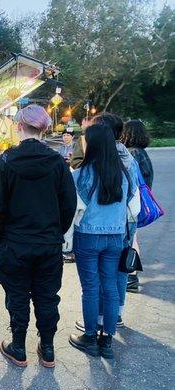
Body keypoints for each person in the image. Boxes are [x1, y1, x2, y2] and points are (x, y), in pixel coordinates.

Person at [0, 104, 77, 368]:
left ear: (19, 126)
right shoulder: (58, 163)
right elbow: (69, 204)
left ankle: (18, 348)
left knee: (17, 295)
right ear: (44, 128)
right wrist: (55, 232)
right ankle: (47, 349)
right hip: (48, 243)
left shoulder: (5, 162)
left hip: (15, 244)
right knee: (47, 296)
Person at [68, 124, 139, 359]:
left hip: (87, 237)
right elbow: (133, 209)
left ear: (92, 144)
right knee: (109, 286)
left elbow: (74, 210)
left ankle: (89, 337)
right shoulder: (125, 173)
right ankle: (107, 340)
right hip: (115, 237)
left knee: (90, 288)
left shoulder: (81, 174)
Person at [121, 119, 154, 292]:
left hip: (132, 202)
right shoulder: (142, 152)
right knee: (133, 238)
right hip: (139, 202)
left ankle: (131, 275)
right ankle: (131, 275)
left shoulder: (131, 153)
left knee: (131, 239)